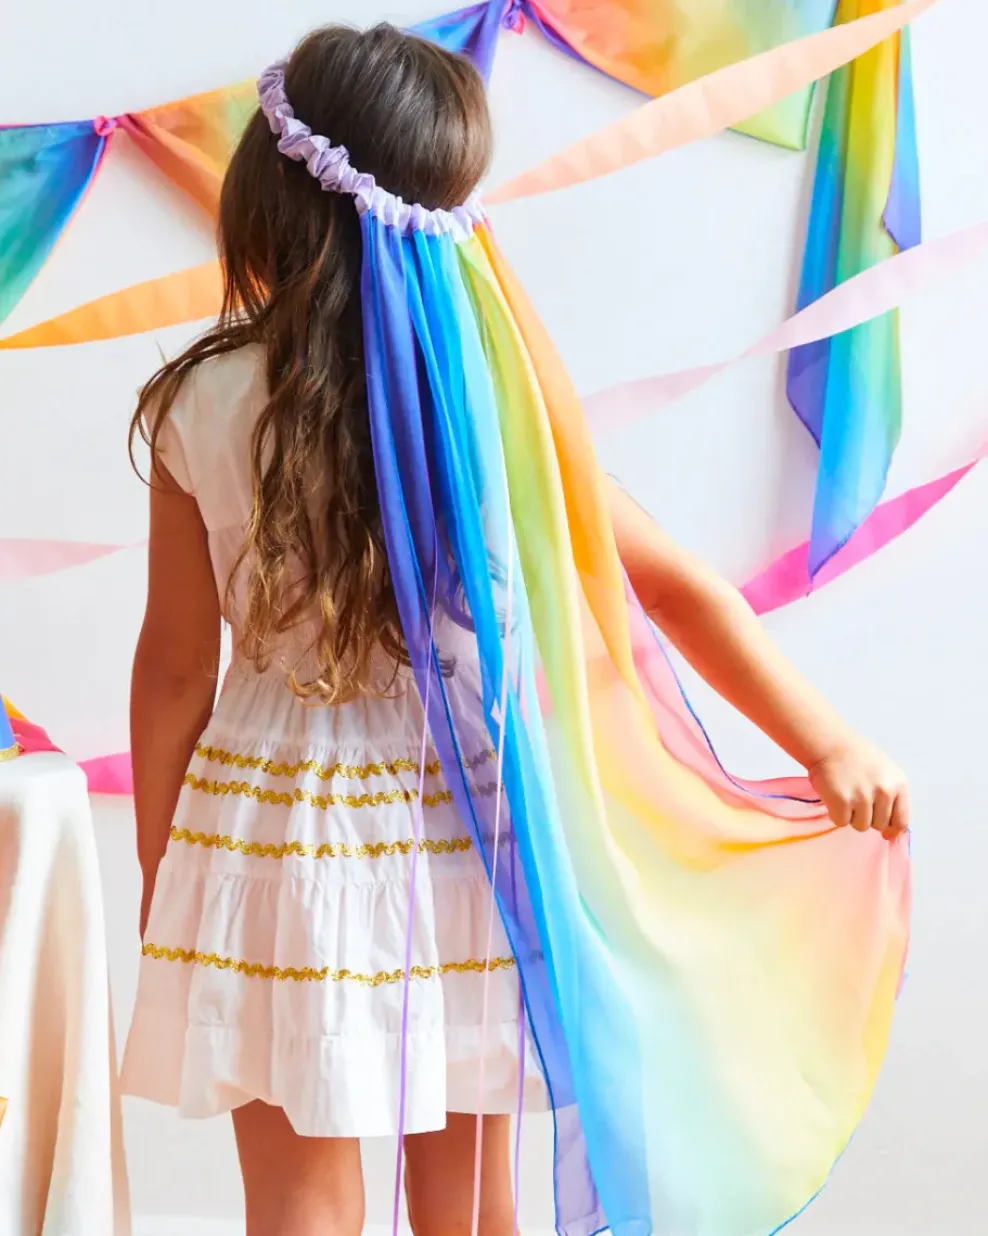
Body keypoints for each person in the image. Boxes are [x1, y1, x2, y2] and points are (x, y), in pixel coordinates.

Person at [121, 22, 909, 1236]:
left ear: (265, 196)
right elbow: (669, 586)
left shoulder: (197, 402)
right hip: (464, 817)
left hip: (269, 828)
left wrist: (165, 865)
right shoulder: (494, 409)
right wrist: (825, 742)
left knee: (299, 1205)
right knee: (468, 1202)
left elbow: (177, 668)